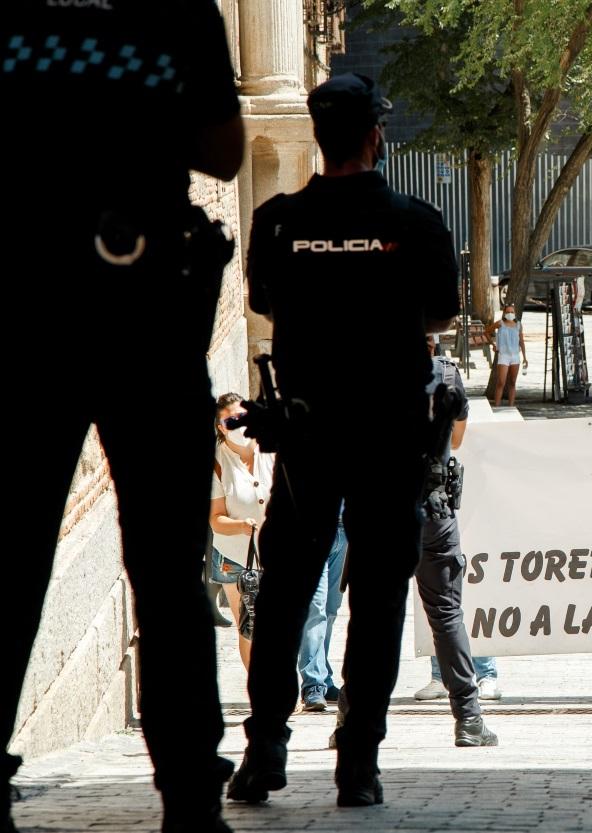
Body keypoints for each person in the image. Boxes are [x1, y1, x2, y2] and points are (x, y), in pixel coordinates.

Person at [4, 3, 245, 830]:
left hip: (26, 302)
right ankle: (187, 790)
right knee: (170, 569)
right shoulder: (177, 8)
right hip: (142, 298)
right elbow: (224, 152)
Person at [228, 73, 467, 810]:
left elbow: (265, 302)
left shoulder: (274, 222)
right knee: (378, 599)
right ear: (375, 135)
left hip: (306, 434)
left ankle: (265, 747)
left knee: (288, 592)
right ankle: (358, 761)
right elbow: (439, 313)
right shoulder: (417, 221)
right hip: (390, 435)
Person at [414, 336, 501, 709]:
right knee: (447, 613)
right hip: (432, 507)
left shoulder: (367, 373)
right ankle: (468, 715)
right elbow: (459, 437)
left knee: (371, 616)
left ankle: (349, 726)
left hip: (379, 510)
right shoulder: (447, 374)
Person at [210, 393, 277, 671]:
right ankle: (261, 691)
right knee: (250, 626)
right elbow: (215, 519)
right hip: (236, 558)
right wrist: (242, 526)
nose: (237, 425)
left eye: (242, 418)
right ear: (220, 427)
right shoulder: (217, 463)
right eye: (230, 421)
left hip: (275, 552)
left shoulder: (269, 447)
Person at [297, 509, 347, 712]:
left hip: (345, 530)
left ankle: (323, 678)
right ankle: (313, 685)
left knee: (330, 609)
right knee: (315, 609)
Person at [486, 304, 526, 407]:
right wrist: (493, 345)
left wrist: (525, 357)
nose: (510, 314)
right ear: (504, 313)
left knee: (512, 382)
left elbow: (521, 341)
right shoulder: (500, 323)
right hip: (503, 356)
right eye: (508, 312)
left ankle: (511, 407)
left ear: (515, 313)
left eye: (512, 312)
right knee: (501, 382)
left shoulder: (518, 325)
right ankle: (497, 406)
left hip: (515, 356)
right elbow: (486, 332)